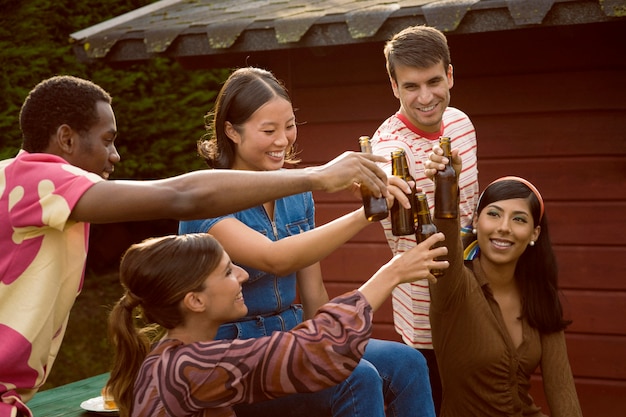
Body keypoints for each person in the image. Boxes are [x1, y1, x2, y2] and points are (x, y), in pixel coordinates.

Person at [0, 75, 391, 417]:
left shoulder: (38, 197)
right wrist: (318, 176)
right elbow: (183, 195)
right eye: (107, 141)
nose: (115, 156)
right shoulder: (33, 183)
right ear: (66, 138)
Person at [179, 66, 435, 417]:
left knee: (406, 362)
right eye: (268, 130)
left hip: (291, 340)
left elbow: (314, 293)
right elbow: (275, 258)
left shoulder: (296, 195)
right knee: (356, 378)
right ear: (231, 132)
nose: (283, 140)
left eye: (289, 126)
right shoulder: (210, 199)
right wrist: (368, 213)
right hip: (232, 358)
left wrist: (325, 344)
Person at [107, 232, 448, 417]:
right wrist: (393, 273)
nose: (242, 275)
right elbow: (309, 351)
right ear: (195, 301)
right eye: (227, 271)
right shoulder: (185, 368)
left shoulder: (184, 359)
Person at [425, 147, 583, 416]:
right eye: (494, 214)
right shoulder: (453, 285)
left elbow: (562, 390)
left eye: (518, 219)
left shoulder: (541, 296)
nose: (504, 227)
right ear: (476, 221)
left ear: (534, 233)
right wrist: (447, 183)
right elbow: (445, 235)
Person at [370, 24, 479, 413]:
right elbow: (384, 171)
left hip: (477, 293)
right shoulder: (389, 147)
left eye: (434, 81)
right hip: (425, 317)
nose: (426, 97)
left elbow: (471, 210)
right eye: (411, 86)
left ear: (450, 74)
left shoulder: (462, 123)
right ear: (394, 86)